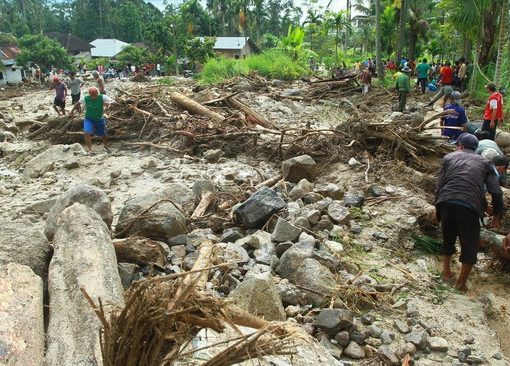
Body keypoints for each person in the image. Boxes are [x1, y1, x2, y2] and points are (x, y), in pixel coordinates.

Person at [436, 133, 504, 292]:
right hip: (468, 205)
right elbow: (496, 191)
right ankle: (460, 284)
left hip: (446, 200)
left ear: (459, 146)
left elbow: (439, 185)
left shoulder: (448, 158)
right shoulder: (485, 163)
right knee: (470, 244)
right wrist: (497, 213)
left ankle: (446, 272)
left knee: (448, 236)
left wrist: (438, 208)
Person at [69, 87, 115, 154]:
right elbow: (78, 103)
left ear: (97, 93)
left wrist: (110, 103)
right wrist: (72, 111)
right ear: (89, 94)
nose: (93, 95)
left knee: (103, 133)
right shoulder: (85, 98)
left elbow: (113, 101)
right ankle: (90, 150)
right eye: (91, 94)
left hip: (99, 119)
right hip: (88, 119)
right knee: (87, 132)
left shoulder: (102, 97)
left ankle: (106, 146)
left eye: (94, 94)